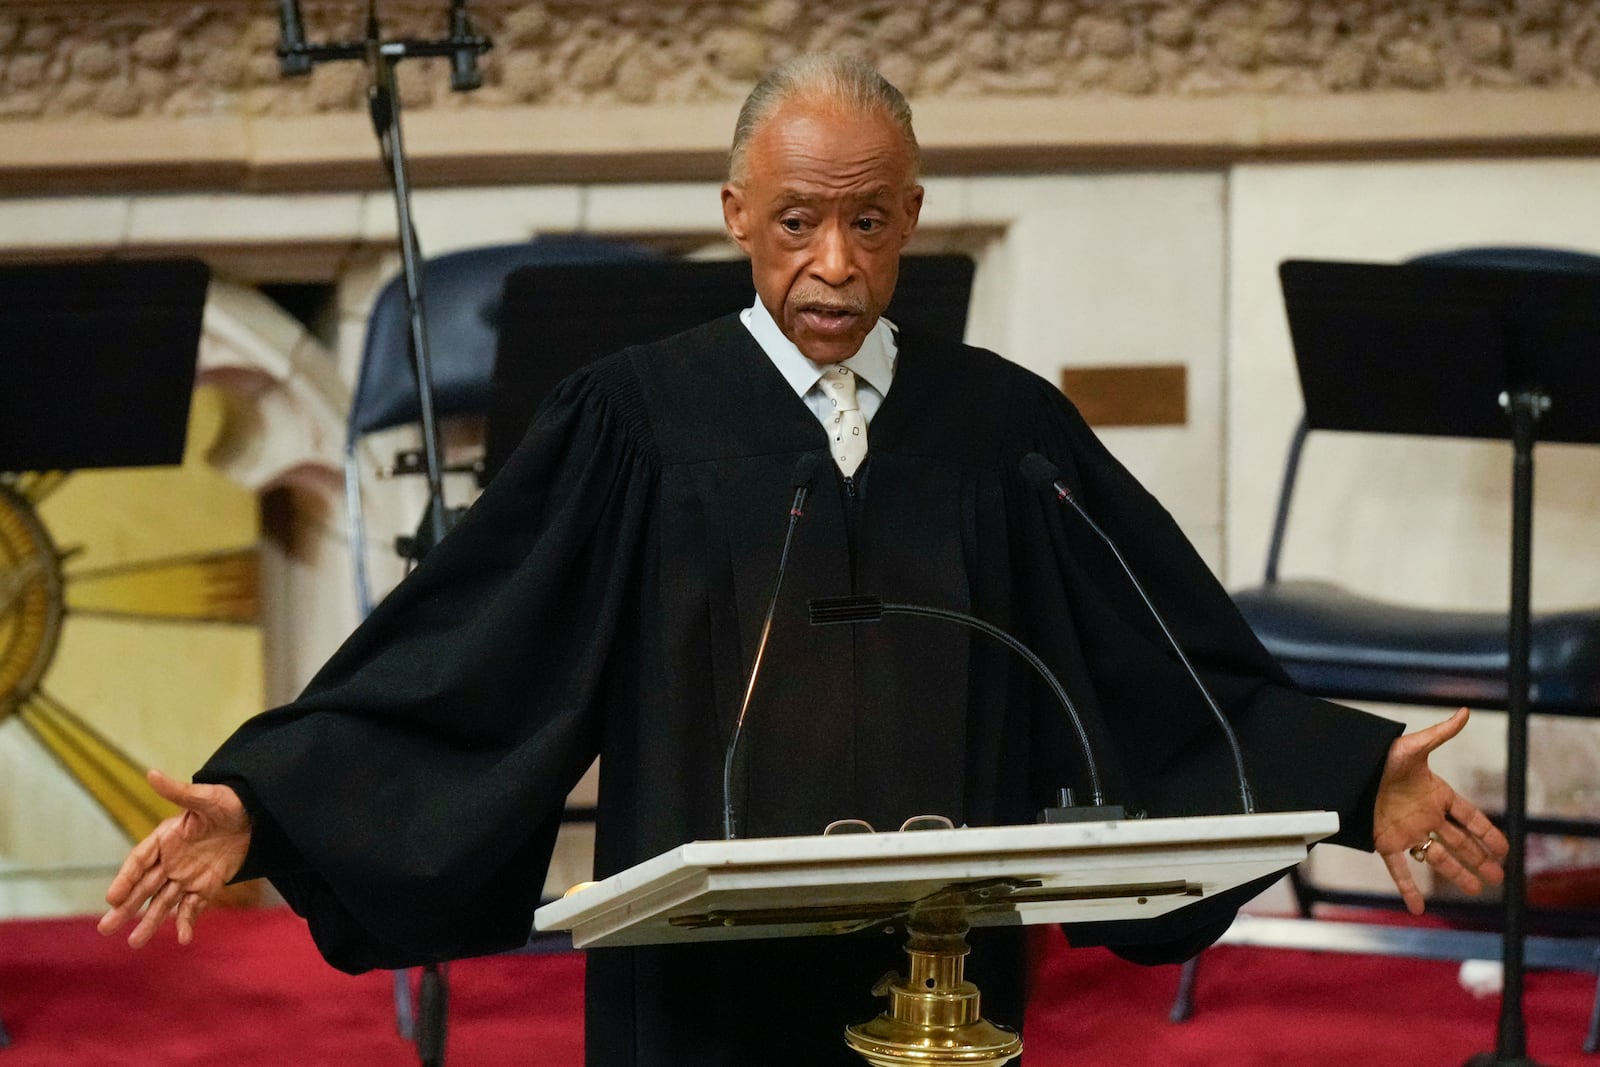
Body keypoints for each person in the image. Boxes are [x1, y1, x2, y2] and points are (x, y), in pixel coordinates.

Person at [101, 54, 1506, 1065]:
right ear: (733, 214)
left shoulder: (1001, 429)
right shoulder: (634, 421)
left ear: (912, 213)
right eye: (796, 221)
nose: (834, 263)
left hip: (944, 974)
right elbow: (473, 651)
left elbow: (1160, 660)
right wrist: (268, 797)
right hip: (696, 994)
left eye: (870, 220)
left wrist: (1344, 765)